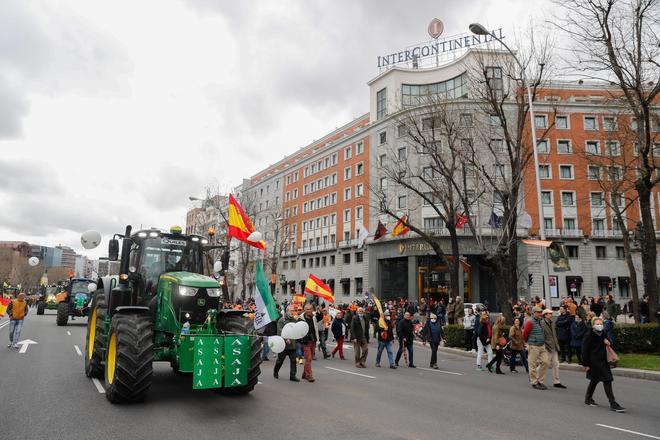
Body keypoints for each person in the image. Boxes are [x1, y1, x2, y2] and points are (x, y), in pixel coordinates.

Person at [581, 317, 625, 412]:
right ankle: (613, 403)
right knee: (607, 379)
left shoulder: (603, 333)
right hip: (594, 362)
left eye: (601, 324)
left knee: (595, 380)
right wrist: (586, 364)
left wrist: (608, 342)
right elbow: (584, 351)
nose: (600, 325)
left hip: (603, 360)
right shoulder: (589, 335)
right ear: (593, 325)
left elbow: (610, 344)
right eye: (597, 324)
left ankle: (588, 398)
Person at [523, 306, 549, 390]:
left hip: (542, 345)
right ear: (534, 313)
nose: (540, 314)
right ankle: (534, 382)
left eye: (541, 312)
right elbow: (525, 334)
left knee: (545, 362)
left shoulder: (540, 321)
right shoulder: (529, 322)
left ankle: (540, 381)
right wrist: (528, 343)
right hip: (533, 345)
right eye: (538, 312)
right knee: (532, 364)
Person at [273, 305, 300, 382]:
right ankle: (276, 371)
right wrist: (285, 339)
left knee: (293, 360)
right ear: (286, 311)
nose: (292, 312)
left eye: (293, 310)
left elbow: (296, 330)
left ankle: (292, 375)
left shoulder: (294, 320)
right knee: (280, 360)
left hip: (292, 345)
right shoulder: (282, 320)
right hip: (283, 345)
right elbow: (279, 331)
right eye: (290, 310)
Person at [541, 309, 567, 389]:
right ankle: (537, 378)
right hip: (547, 347)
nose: (551, 315)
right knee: (545, 364)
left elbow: (554, 335)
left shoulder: (552, 323)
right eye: (549, 314)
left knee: (556, 364)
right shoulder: (542, 323)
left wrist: (557, 345)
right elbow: (542, 336)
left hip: (554, 347)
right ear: (545, 315)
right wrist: (545, 345)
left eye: (551, 314)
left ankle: (557, 382)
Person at [300, 304, 319, 382]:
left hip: (313, 340)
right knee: (309, 358)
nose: (309, 311)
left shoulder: (314, 317)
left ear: (312, 310)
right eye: (307, 309)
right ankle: (309, 375)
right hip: (305, 341)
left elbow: (320, 318)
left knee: (309, 358)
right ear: (304, 310)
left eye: (310, 309)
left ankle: (304, 374)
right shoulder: (300, 318)